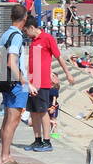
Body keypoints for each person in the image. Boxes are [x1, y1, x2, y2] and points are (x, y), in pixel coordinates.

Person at [23, 15, 74, 152]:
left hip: (43, 82)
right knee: (33, 112)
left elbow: (59, 57)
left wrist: (68, 73)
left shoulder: (47, 38)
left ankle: (47, 141)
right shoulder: (33, 41)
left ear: (32, 28)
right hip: (32, 81)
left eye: (26, 31)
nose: (25, 34)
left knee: (42, 111)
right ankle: (37, 140)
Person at [0, 4, 34, 164]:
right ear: (24, 18)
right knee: (13, 120)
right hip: (15, 82)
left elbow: (0, 57)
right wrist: (25, 82)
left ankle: (6, 154)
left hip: (5, 80)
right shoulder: (17, 36)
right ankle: (4, 157)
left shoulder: (5, 34)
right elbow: (12, 61)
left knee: (7, 119)